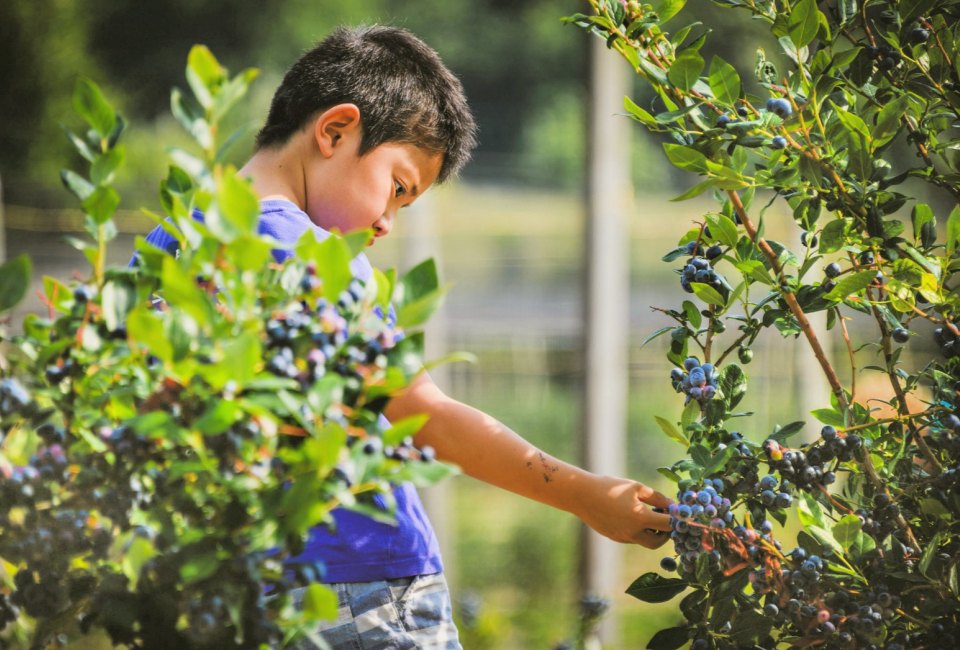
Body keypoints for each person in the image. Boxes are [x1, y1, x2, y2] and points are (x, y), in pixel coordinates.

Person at [140, 25, 672, 650]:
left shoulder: (169, 244)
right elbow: (423, 416)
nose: (388, 224)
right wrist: (585, 494)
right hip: (362, 591)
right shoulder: (310, 255)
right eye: (397, 188)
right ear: (335, 131)